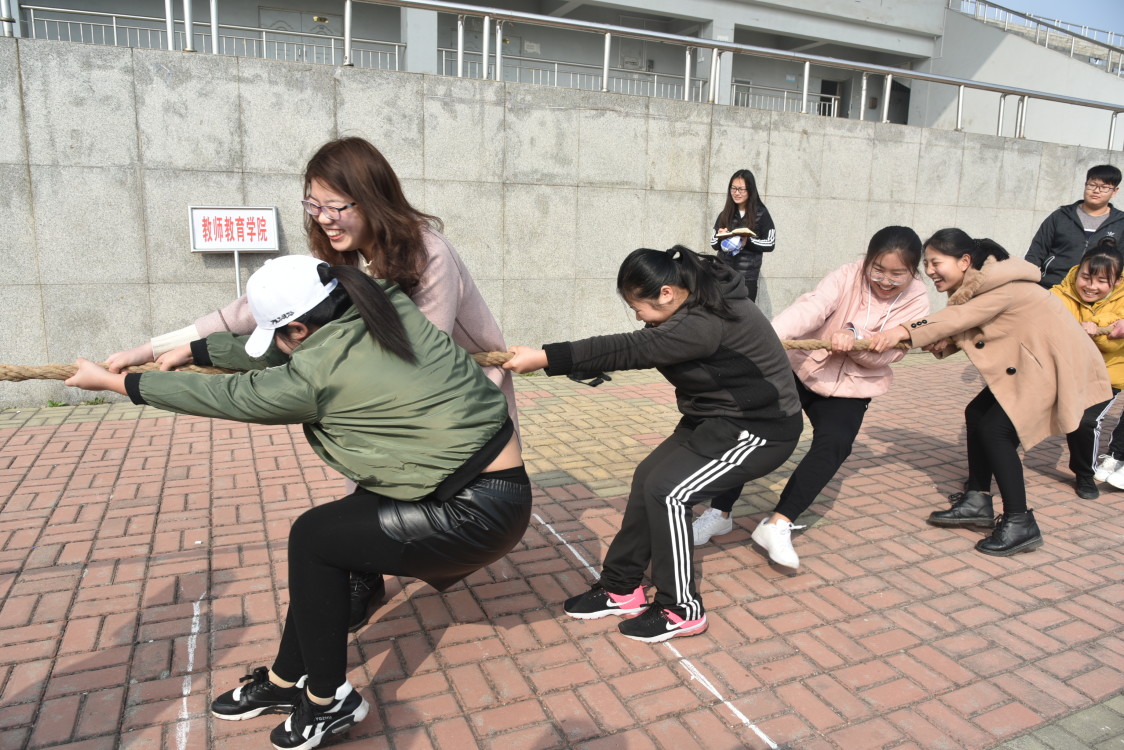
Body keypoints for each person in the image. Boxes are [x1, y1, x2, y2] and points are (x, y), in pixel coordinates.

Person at [66, 255, 530, 750]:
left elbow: (235, 396)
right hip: (465, 485)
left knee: (314, 540)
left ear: (301, 328)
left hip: (473, 510)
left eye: (282, 334)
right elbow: (288, 351)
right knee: (322, 548)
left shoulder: (316, 373)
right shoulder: (382, 305)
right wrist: (195, 348)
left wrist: (118, 383)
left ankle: (330, 702)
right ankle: (286, 682)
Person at [105, 137, 517, 632]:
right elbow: (251, 311)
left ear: (373, 198)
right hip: (390, 401)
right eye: (313, 204)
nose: (323, 218)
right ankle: (360, 580)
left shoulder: (426, 252)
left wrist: (297, 382)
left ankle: (360, 585)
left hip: (454, 405)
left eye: (336, 206)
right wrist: (150, 350)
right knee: (367, 479)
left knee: (392, 491)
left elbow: (413, 358)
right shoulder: (339, 258)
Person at [504, 246, 802, 642]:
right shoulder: (691, 303)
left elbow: (633, 348)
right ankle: (621, 587)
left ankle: (682, 610)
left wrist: (546, 357)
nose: (637, 315)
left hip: (761, 430)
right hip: (714, 420)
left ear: (666, 292)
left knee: (671, 494)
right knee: (649, 479)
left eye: (638, 306)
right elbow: (633, 345)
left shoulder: (704, 321)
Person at [691, 227, 931, 569]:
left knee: (835, 443)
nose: (886, 280)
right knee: (754, 431)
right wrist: (769, 337)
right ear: (868, 260)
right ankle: (719, 511)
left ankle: (779, 523)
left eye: (898, 274)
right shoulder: (849, 274)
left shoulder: (917, 300)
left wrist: (855, 335)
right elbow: (814, 307)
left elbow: (889, 355)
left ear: (914, 271)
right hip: (801, 368)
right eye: (878, 269)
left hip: (854, 384)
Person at [869, 229, 1111, 556]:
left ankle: (1020, 521)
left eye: (935, 262)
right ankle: (977, 500)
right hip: (1032, 368)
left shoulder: (1004, 287)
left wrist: (901, 331)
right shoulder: (988, 289)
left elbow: (961, 317)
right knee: (977, 414)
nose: (929, 271)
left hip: (1052, 370)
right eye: (927, 264)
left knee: (995, 430)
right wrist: (939, 342)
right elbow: (972, 325)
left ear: (966, 261)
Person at [1050, 238, 1124, 498]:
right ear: (1077, 271)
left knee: (1085, 421)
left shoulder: (1123, 299)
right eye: (1086, 277)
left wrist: (1096, 328)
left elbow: (1114, 347)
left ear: (1115, 282)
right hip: (1065, 369)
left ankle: (1084, 474)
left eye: (1102, 281)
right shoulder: (1058, 294)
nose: (1091, 287)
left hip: (1106, 373)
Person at [1026, 164, 1123, 289]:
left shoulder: (1120, 223)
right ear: (1085, 185)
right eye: (1092, 185)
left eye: (1104, 187)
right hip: (1052, 286)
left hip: (1093, 291)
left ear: (1114, 191)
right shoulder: (1061, 216)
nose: (1096, 191)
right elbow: (1036, 252)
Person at [709, 169, 776, 302]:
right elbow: (713, 243)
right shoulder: (725, 213)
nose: (736, 193)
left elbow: (770, 243)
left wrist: (748, 242)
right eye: (733, 188)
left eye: (741, 189)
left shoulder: (761, 214)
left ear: (750, 190)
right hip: (723, 275)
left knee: (743, 318)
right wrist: (720, 237)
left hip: (747, 277)